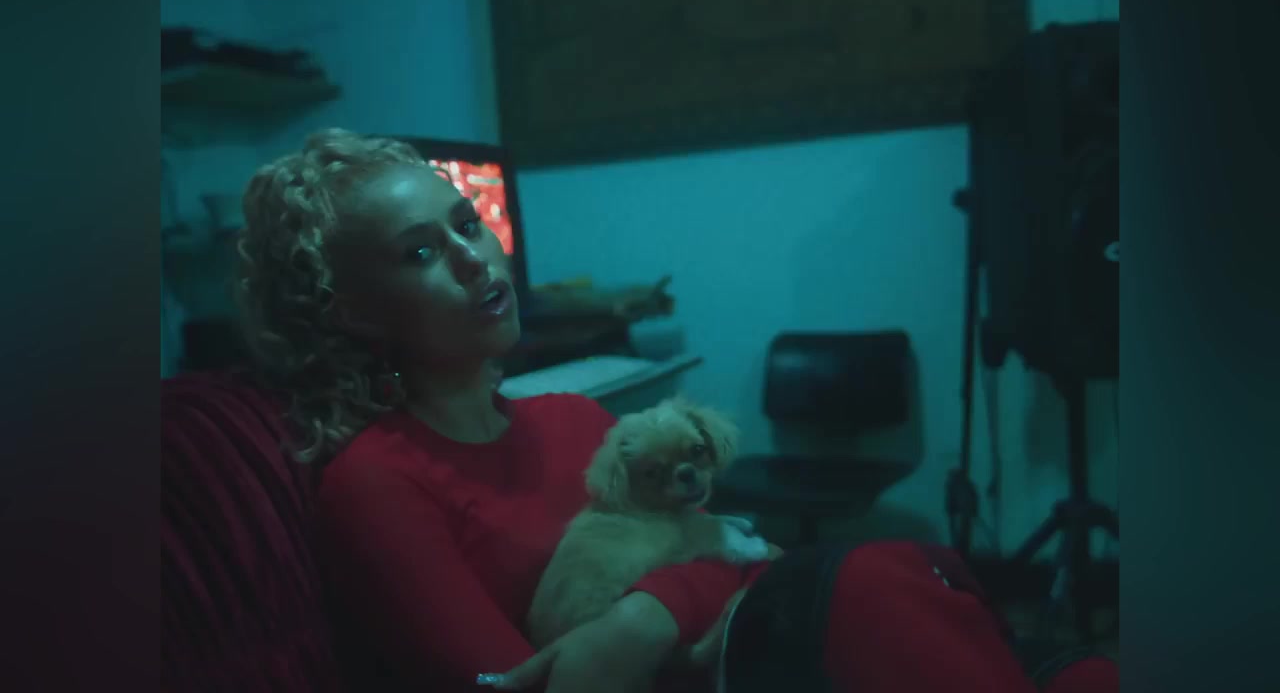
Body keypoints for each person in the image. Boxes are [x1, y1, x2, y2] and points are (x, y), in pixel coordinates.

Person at [236, 129, 1117, 693]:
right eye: (422, 253)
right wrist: (686, 598)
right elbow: (545, 682)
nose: (475, 260)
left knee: (923, 593)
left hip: (745, 647)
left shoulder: (579, 425)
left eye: (468, 225)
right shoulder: (377, 483)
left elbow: (731, 564)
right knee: (874, 588)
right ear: (354, 312)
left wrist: (650, 611)